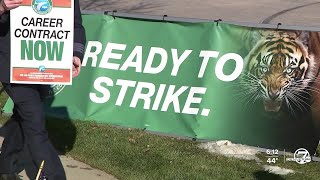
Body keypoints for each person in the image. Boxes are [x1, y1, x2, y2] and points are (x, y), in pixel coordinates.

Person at [0, 0, 86, 179]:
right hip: (11, 65)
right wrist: (1, 7)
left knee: (23, 115)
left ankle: (5, 166)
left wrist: (76, 54)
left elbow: (75, 24)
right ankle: (54, 176)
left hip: (45, 67)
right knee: (34, 121)